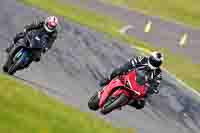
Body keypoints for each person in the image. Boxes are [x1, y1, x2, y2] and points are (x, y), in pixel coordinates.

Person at [99, 51, 164, 109]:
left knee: (141, 104)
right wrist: (125, 68)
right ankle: (108, 79)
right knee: (119, 70)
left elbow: (155, 84)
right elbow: (129, 64)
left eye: (157, 62)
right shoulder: (142, 59)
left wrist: (152, 89)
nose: (154, 63)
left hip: (139, 86)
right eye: (154, 61)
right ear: (150, 58)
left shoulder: (158, 73)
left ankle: (125, 102)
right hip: (130, 76)